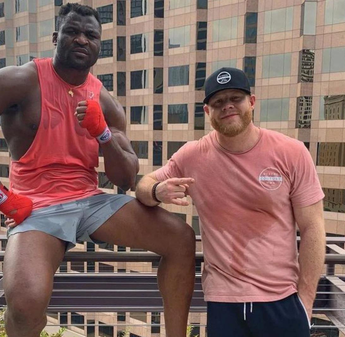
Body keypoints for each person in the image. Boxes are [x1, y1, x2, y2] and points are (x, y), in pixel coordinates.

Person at [0, 4, 196, 337]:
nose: (82, 39)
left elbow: (126, 179)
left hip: (91, 202)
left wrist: (104, 134)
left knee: (181, 238)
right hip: (36, 209)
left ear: (99, 46)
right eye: (72, 31)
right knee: (25, 303)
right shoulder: (21, 80)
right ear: (56, 37)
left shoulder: (106, 102)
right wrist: (1, 196)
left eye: (91, 35)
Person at [136, 67, 326, 337]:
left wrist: (305, 303)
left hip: (282, 301)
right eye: (218, 102)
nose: (227, 106)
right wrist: (157, 191)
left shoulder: (291, 152)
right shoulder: (193, 155)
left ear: (252, 102)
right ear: (207, 111)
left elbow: (313, 228)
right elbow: (142, 187)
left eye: (235, 98)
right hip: (223, 304)